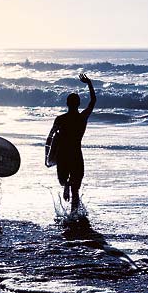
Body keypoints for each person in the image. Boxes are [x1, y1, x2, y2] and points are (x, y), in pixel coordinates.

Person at [47, 73, 96, 212]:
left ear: (67, 104)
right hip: (75, 154)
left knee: (67, 183)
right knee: (74, 186)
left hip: (63, 154)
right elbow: (93, 102)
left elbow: (50, 137)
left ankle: (73, 211)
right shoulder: (82, 118)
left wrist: (48, 156)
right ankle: (74, 213)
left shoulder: (60, 119)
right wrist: (89, 84)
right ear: (78, 104)